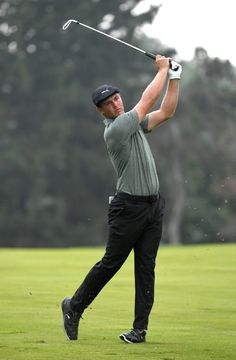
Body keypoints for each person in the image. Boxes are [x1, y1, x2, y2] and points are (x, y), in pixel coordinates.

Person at [61, 55, 182, 343]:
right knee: (111, 263)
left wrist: (175, 78)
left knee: (146, 267)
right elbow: (148, 100)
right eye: (109, 103)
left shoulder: (135, 125)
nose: (116, 103)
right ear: (101, 111)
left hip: (153, 207)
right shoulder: (117, 129)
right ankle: (73, 307)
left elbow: (165, 111)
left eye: (117, 98)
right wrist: (164, 70)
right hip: (128, 208)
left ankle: (139, 330)